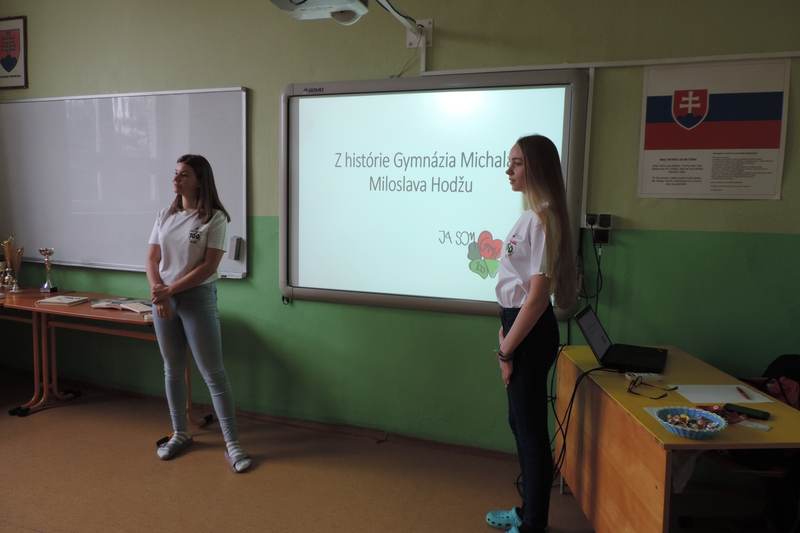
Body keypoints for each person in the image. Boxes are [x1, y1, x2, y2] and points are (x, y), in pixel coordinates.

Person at [485, 135, 577, 533]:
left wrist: (506, 351)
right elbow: (516, 286)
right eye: (510, 162)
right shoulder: (532, 216)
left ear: (537, 167)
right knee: (519, 423)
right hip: (517, 326)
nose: (509, 170)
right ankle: (527, 513)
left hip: (530, 332)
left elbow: (537, 297)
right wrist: (504, 333)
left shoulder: (544, 219)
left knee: (530, 431)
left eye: (517, 163)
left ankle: (533, 524)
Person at [146, 154, 251, 473]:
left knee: (213, 373)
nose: (176, 179)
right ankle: (179, 433)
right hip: (164, 299)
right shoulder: (165, 214)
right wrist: (158, 291)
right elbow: (152, 259)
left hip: (196, 298)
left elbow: (208, 266)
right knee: (173, 369)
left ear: (200, 181)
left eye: (184, 175)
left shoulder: (215, 218)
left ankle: (232, 444)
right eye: (175, 173)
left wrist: (168, 291)